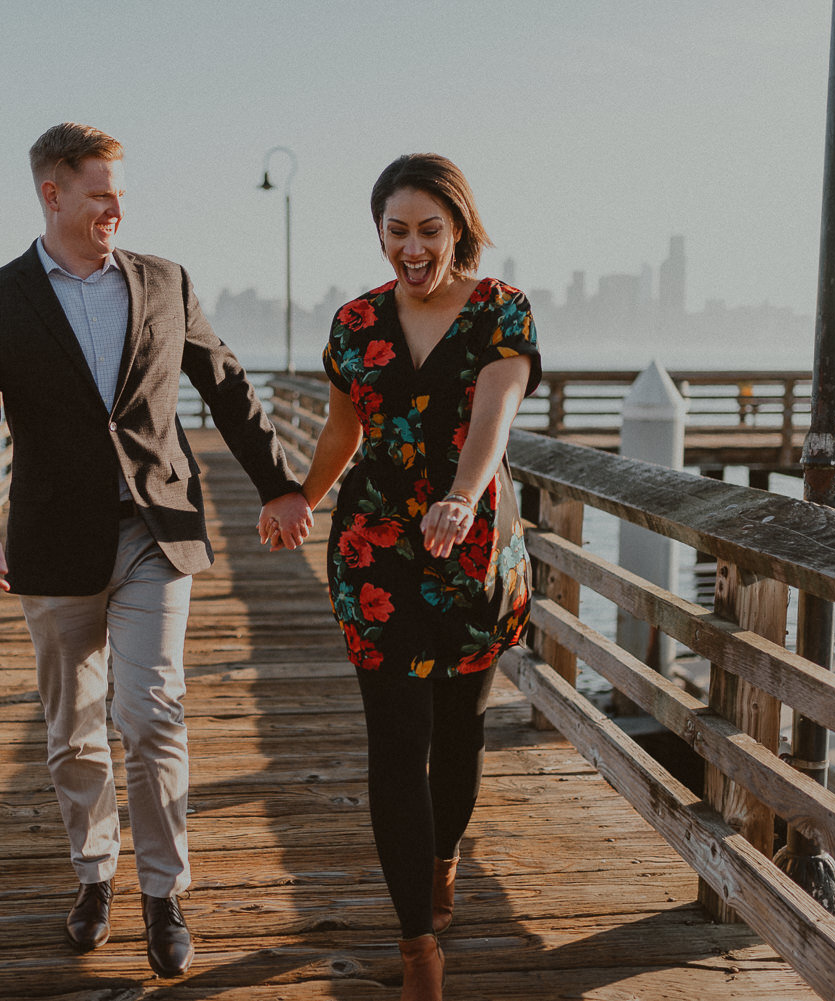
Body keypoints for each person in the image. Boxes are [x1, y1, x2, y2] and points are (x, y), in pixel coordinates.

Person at [0, 122, 312, 978]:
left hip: (158, 527)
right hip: (52, 539)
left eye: (122, 193)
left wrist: (280, 483)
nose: (116, 206)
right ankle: (95, 872)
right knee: (75, 729)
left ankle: (163, 894)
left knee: (151, 712)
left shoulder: (164, 281)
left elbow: (227, 383)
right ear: (52, 193)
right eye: (100, 191)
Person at [292, 153, 539, 1001]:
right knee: (396, 746)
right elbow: (341, 431)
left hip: (470, 550)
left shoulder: (501, 311)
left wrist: (464, 498)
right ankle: (417, 946)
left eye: (429, 230)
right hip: (376, 552)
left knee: (459, 733)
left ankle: (442, 856)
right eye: (396, 230)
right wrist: (302, 498)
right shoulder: (356, 322)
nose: (411, 247)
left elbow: (493, 414)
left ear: (459, 228)